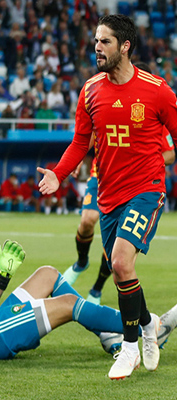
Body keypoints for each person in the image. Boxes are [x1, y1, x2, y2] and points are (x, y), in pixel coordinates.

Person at [37, 15, 177, 379]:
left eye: (105, 42)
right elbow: (80, 143)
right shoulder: (90, 90)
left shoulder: (157, 90)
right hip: (108, 195)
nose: (97, 47)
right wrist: (58, 172)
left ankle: (128, 347)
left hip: (146, 189)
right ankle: (148, 324)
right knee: (121, 272)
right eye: (96, 40)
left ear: (125, 46)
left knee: (119, 262)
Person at [0, 223, 177, 361]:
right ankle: (150, 326)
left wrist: (2, 278)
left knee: (47, 273)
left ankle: (107, 335)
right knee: (68, 304)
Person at [63, 61, 176, 305]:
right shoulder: (101, 95)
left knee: (119, 257)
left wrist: (145, 159)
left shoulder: (152, 105)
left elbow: (170, 152)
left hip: (139, 184)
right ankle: (81, 262)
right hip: (102, 177)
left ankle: (97, 289)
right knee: (86, 222)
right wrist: (74, 162)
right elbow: (85, 138)